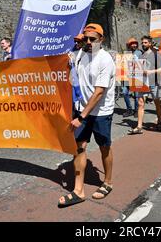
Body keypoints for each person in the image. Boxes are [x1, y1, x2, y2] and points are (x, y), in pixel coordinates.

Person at [58, 23, 116, 208]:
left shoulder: (105, 59)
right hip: (81, 109)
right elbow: (73, 75)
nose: (88, 42)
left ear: (101, 39)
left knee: (104, 147)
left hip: (100, 112)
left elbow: (99, 92)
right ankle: (78, 191)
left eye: (93, 39)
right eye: (86, 38)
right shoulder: (80, 54)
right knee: (79, 147)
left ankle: (107, 182)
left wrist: (81, 117)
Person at [127, 35, 161, 135]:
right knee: (140, 103)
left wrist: (151, 72)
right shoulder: (141, 55)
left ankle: (159, 122)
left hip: (154, 83)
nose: (143, 44)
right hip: (143, 82)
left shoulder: (157, 54)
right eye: (142, 43)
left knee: (157, 102)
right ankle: (139, 126)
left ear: (150, 43)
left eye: (145, 43)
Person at [122, 38, 142, 118]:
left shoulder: (140, 53)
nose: (134, 45)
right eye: (132, 44)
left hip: (137, 77)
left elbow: (143, 63)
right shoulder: (126, 53)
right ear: (129, 45)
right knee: (124, 92)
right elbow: (122, 65)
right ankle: (129, 109)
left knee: (136, 95)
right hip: (127, 77)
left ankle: (136, 110)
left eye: (135, 43)